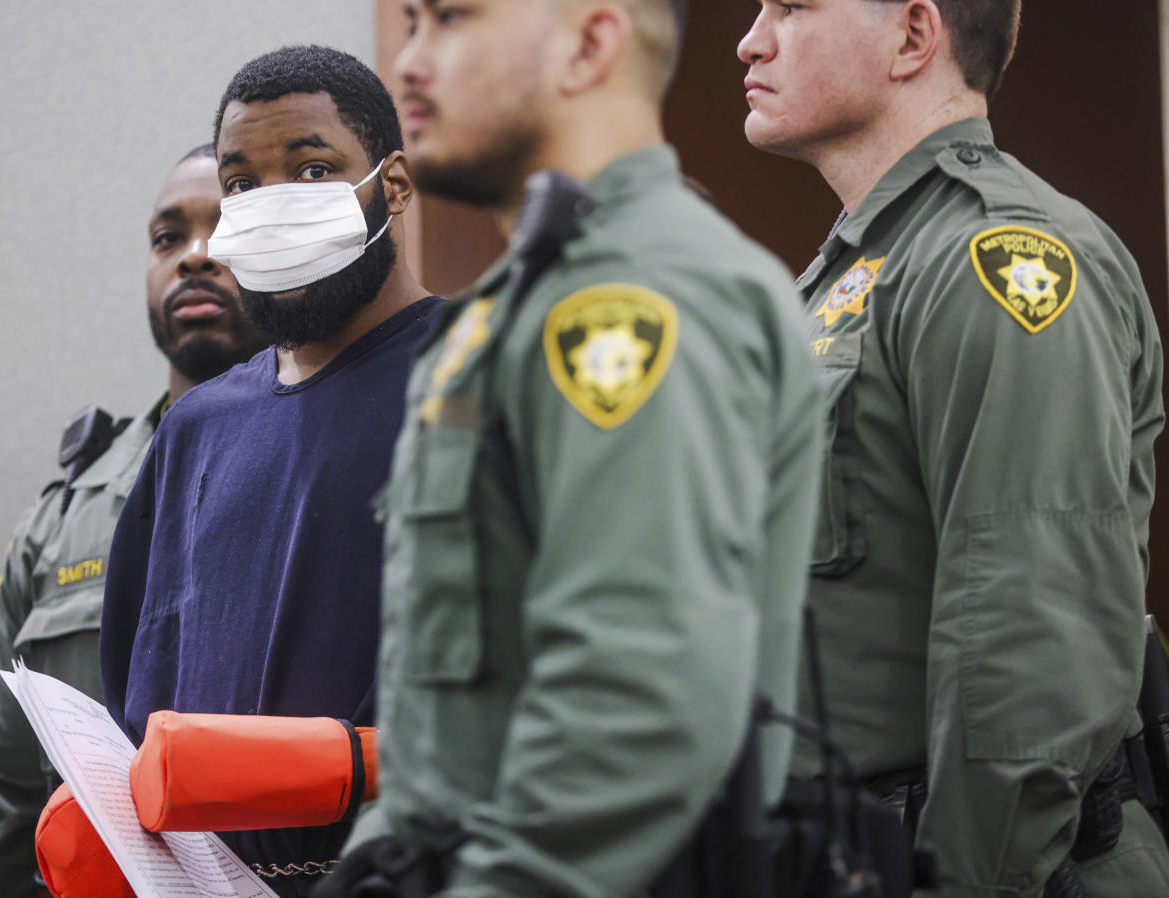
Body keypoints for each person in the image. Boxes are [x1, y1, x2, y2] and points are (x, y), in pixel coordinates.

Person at [323, 1, 822, 896]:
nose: (409, 61)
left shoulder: (641, 295)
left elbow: (634, 711)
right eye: (409, 22)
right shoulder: (506, 310)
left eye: (449, 20)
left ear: (592, 44)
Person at [738, 1, 1169, 895]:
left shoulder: (997, 256)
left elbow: (1034, 646)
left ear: (913, 35)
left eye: (791, 6)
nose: (752, 38)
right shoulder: (857, 269)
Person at [99, 45, 442, 897]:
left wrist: (350, 765)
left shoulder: (481, 375)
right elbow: (136, 700)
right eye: (242, 184)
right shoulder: (197, 429)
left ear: (393, 186)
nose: (267, 205)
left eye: (313, 168)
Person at [0, 144, 268, 898]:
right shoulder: (64, 522)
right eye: (167, 238)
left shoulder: (346, 468)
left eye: (227, 227)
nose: (194, 257)